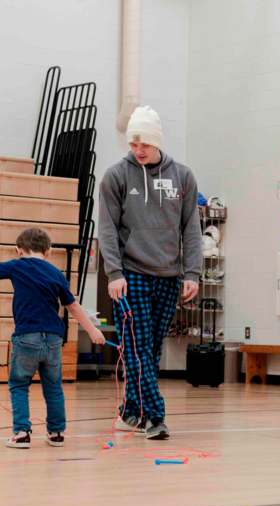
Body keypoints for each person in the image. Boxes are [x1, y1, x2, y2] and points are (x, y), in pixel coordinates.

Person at [0, 227, 105, 449]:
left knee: (18, 384)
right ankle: (56, 433)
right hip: (54, 339)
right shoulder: (56, 274)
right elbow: (73, 306)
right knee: (53, 387)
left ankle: (21, 433)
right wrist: (93, 331)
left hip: (27, 337)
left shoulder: (18, 266)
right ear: (48, 251)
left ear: (18, 250)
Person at [98, 105, 202, 440]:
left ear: (157, 141)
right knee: (136, 346)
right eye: (133, 144)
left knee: (151, 348)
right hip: (131, 275)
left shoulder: (183, 176)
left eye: (144, 144)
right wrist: (114, 273)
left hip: (169, 276)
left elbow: (192, 228)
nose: (138, 150)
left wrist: (193, 273)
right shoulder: (116, 176)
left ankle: (130, 411)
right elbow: (108, 229)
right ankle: (155, 416)